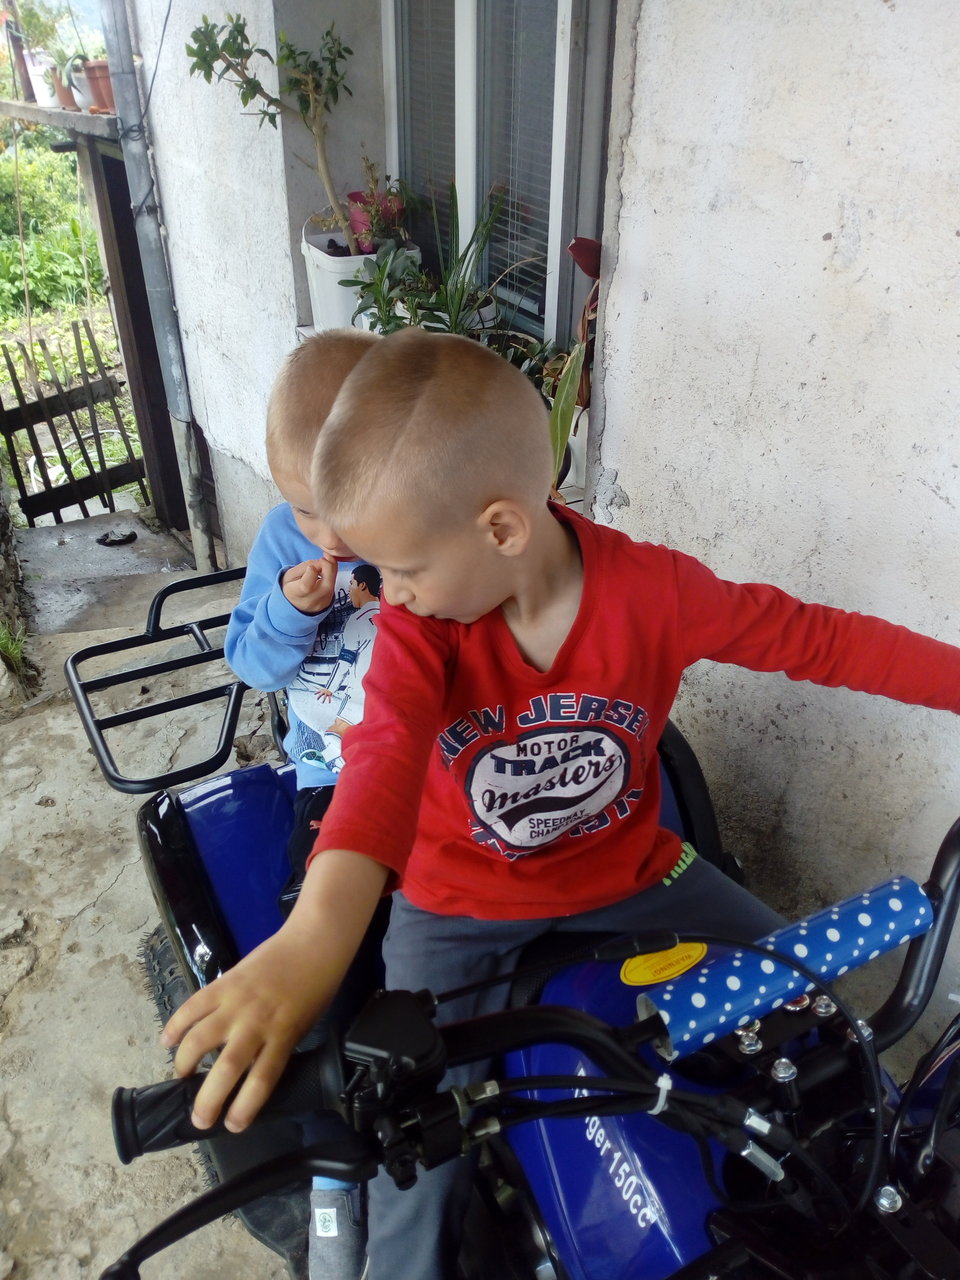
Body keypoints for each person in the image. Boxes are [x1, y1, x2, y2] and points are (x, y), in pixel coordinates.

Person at [165, 328, 960, 1280]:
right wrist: (312, 939)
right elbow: (380, 763)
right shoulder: (422, 630)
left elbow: (821, 641)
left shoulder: (657, 593)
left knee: (813, 1007)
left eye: (404, 569)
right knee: (416, 1141)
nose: (391, 596)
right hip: (457, 909)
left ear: (501, 529)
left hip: (635, 873)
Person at [222, 327, 384, 1278]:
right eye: (304, 509)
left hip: (437, 767)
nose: (325, 536)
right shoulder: (285, 546)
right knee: (319, 948)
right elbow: (251, 662)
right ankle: (330, 1165)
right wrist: (293, 608)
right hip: (334, 778)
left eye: (343, 511)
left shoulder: (416, 526)